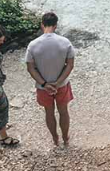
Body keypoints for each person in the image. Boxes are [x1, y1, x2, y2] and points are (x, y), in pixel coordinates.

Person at [26, 12, 76, 148]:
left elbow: (30, 68)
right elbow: (70, 65)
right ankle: (65, 138)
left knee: (49, 112)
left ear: (42, 25)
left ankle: (55, 138)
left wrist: (44, 84)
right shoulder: (65, 42)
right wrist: (58, 82)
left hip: (43, 87)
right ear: (56, 25)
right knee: (63, 111)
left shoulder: (33, 45)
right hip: (62, 85)